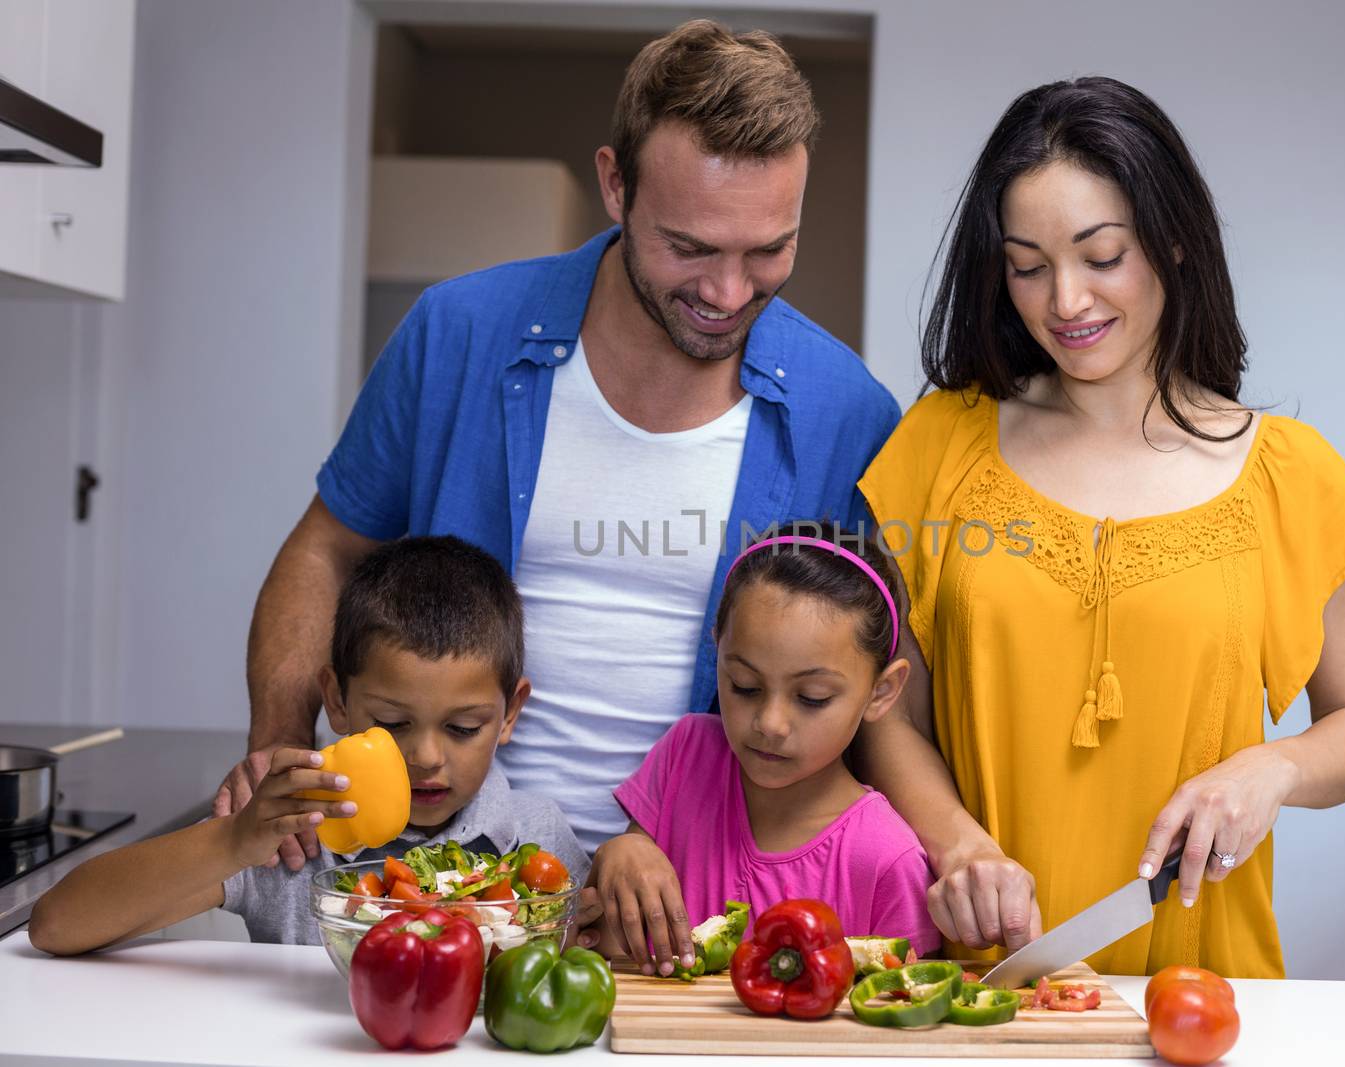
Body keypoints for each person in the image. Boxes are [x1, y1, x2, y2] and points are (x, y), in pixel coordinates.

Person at [215, 20, 900, 870]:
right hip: (439, 880)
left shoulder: (850, 412)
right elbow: (326, 547)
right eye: (688, 247)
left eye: (769, 249)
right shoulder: (457, 333)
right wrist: (279, 739)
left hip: (697, 904)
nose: (729, 292)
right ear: (615, 186)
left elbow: (877, 689)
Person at [853, 77, 1345, 977]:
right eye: (1028, 265)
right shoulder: (938, 447)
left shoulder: (1293, 474)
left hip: (1200, 990)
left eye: (1101, 255)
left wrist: (1274, 769)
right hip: (980, 978)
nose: (1065, 301)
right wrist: (957, 844)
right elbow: (884, 714)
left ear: (1173, 240)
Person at [30, 536, 585, 954]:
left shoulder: (537, 836)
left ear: (510, 713)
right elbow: (57, 925)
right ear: (337, 702)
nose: (427, 757)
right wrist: (232, 843)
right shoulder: (291, 833)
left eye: (463, 728)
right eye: (392, 723)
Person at [583, 522, 941, 976]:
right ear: (718, 650)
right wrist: (618, 853)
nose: (770, 724)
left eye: (812, 697)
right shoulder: (686, 754)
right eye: (745, 686)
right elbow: (616, 945)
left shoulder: (887, 859)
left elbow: (906, 1008)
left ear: (882, 692)